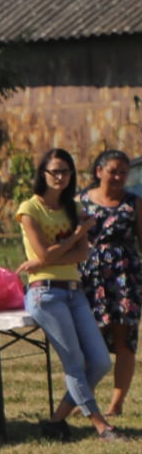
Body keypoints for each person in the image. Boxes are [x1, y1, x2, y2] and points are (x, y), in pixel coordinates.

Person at [18, 147, 116, 440]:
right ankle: (101, 425)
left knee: (99, 362)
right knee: (74, 362)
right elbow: (45, 252)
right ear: (43, 174)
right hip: (45, 294)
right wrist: (70, 240)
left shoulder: (73, 209)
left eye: (65, 171)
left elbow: (82, 254)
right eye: (54, 171)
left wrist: (44, 259)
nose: (59, 177)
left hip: (74, 291)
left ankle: (56, 421)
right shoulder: (29, 209)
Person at [79, 149, 138, 418]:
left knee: (123, 339)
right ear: (99, 171)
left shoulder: (134, 203)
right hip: (89, 276)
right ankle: (81, 400)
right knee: (87, 340)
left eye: (123, 172)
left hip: (125, 277)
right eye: (113, 170)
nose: (118, 177)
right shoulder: (79, 201)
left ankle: (116, 404)